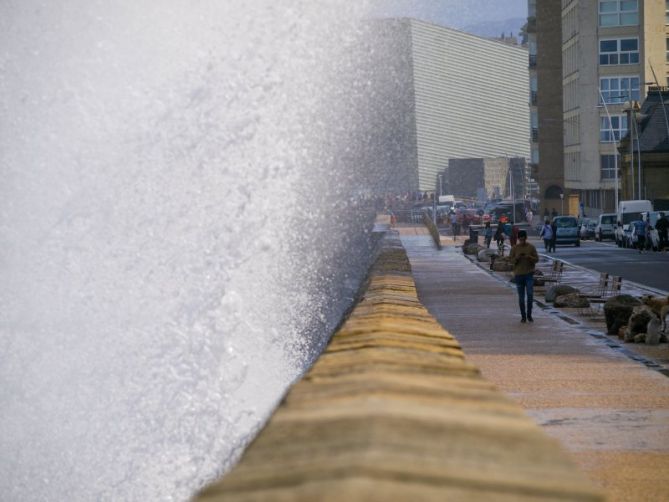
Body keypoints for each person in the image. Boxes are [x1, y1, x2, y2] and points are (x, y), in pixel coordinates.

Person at [509, 230, 539, 323]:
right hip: (519, 275)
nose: (522, 241)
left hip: (529, 274)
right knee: (521, 298)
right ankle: (523, 316)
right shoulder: (514, 248)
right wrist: (516, 258)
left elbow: (537, 259)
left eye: (523, 239)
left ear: (526, 238)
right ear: (518, 239)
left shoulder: (531, 247)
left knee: (530, 295)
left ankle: (529, 314)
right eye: (520, 239)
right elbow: (511, 261)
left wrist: (529, 257)